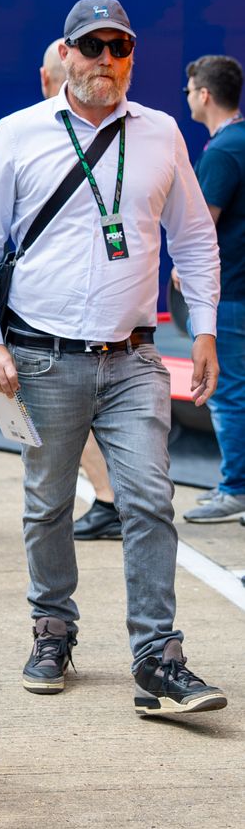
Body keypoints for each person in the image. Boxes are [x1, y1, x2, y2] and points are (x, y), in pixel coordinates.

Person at [0, 0, 227, 716]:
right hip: (39, 359)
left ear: (131, 58)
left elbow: (195, 239)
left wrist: (200, 330)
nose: (104, 61)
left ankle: (156, 658)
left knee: (148, 499)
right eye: (90, 48)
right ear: (65, 55)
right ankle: (52, 631)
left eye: (118, 48)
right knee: (47, 504)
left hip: (134, 357)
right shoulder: (18, 133)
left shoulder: (161, 133)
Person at [40, 39, 122, 541]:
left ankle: (109, 497)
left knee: (56, 433)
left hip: (59, 326)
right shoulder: (24, 134)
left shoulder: (147, 132)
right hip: (95, 323)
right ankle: (109, 496)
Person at [179, 55, 245, 524]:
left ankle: (235, 489)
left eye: (189, 91)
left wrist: (184, 270)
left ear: (205, 95)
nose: (187, 99)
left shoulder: (222, 152)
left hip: (234, 294)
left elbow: (201, 229)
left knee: (228, 394)